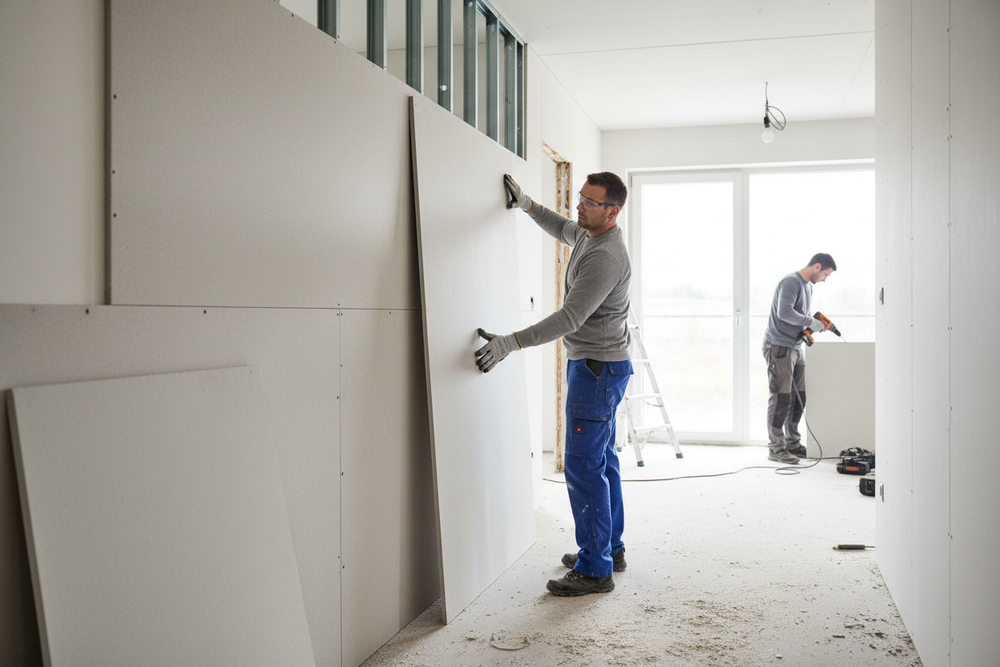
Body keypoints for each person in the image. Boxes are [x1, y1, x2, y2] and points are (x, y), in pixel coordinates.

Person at [475, 172, 633, 597]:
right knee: (602, 460)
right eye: (579, 198)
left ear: (612, 211)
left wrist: (511, 343)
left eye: (589, 201)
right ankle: (609, 550)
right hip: (600, 366)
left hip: (596, 369)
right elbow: (561, 226)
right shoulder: (586, 232)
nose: (579, 206)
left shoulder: (606, 256)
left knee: (584, 468)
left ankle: (595, 569)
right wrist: (525, 203)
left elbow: (569, 319)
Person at [762, 253, 837, 464]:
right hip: (779, 346)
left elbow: (799, 314)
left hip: (795, 346)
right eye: (825, 274)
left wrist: (811, 324)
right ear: (817, 266)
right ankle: (776, 448)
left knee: (799, 397)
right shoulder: (791, 282)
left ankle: (792, 443)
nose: (824, 279)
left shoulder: (808, 286)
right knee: (781, 397)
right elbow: (784, 312)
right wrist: (810, 322)